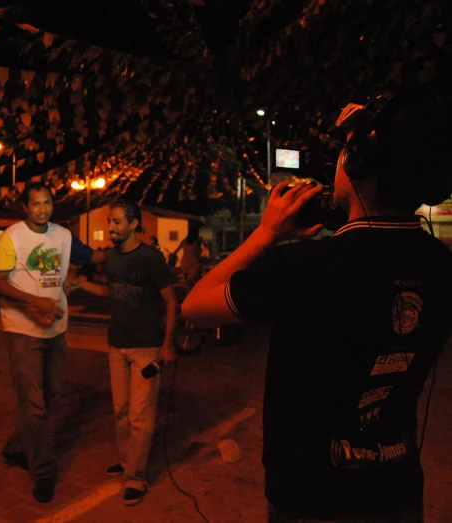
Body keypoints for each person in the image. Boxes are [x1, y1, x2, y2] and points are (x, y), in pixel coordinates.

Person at [181, 91, 452, 522]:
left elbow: (194, 306)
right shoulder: (440, 265)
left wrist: (267, 232)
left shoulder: (307, 267)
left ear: (358, 166)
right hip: (396, 488)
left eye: (345, 153)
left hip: (313, 496)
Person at [67, 199, 177, 506]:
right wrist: (81, 284)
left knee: (141, 416)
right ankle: (128, 460)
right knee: (121, 412)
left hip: (146, 347)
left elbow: (170, 301)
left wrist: (167, 344)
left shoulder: (150, 257)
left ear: (133, 224)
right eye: (110, 222)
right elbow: (111, 291)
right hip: (116, 344)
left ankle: (136, 478)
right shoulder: (112, 258)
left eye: (116, 222)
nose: (111, 228)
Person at [0, 182, 74, 504]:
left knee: (50, 397)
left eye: (47, 202)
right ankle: (43, 469)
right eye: (36, 204)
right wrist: (32, 302)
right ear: (25, 207)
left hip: (57, 326)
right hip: (22, 327)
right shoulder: (12, 237)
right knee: (34, 403)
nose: (43, 209)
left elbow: (90, 256)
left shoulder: (63, 236)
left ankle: (16, 446)